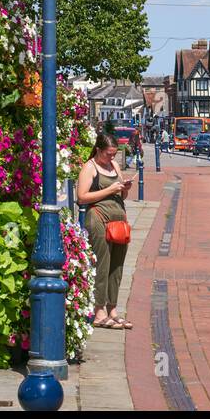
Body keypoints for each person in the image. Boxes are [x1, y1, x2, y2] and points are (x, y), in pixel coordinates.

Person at [76, 133, 136, 329]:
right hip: (99, 220)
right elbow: (82, 197)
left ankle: (113, 309)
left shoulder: (115, 166)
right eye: (108, 154)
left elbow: (121, 196)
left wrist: (124, 188)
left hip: (118, 222)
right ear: (99, 150)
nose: (112, 158)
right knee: (103, 264)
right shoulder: (90, 167)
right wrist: (110, 190)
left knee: (117, 266)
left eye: (114, 154)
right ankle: (99, 311)